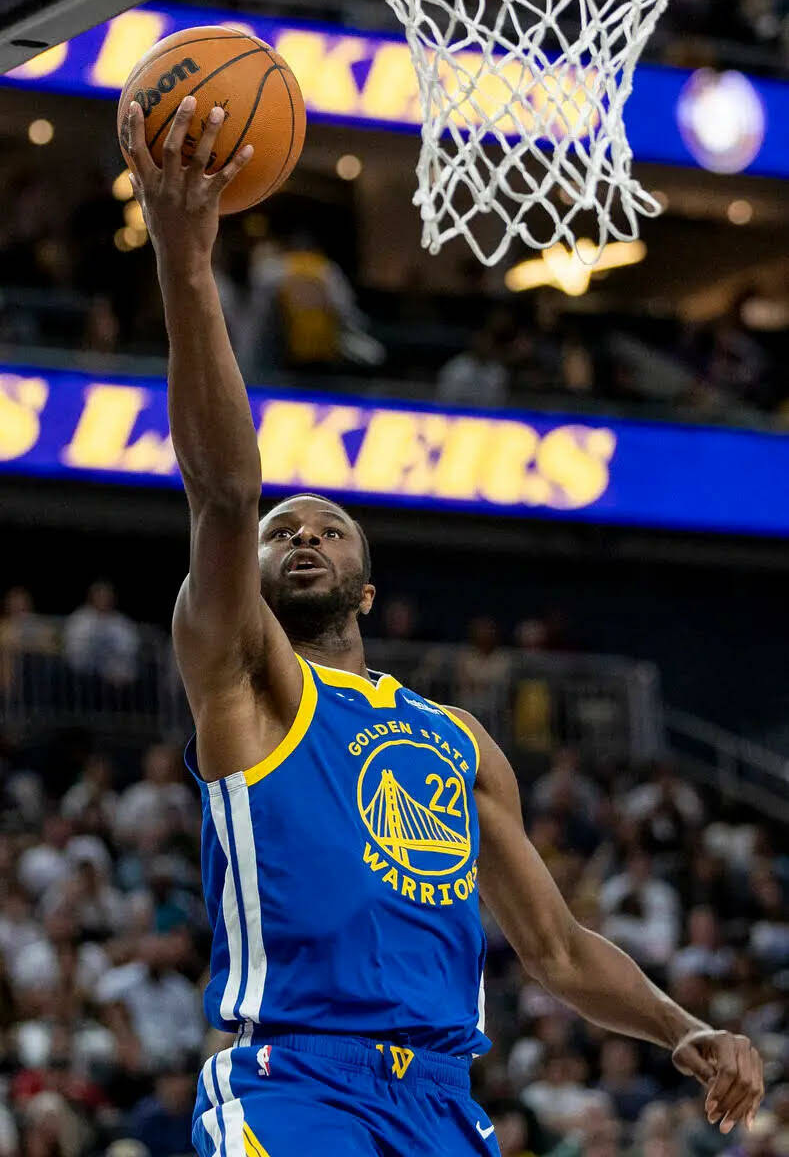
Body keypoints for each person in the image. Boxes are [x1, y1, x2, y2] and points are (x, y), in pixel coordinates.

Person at [123, 93, 764, 1157]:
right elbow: (226, 495)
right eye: (289, 533)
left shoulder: (459, 743)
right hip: (296, 1084)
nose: (304, 538)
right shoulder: (242, 673)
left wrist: (680, 1027)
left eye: (330, 530)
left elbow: (555, 946)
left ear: (368, 591)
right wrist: (189, 268)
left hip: (441, 1104)